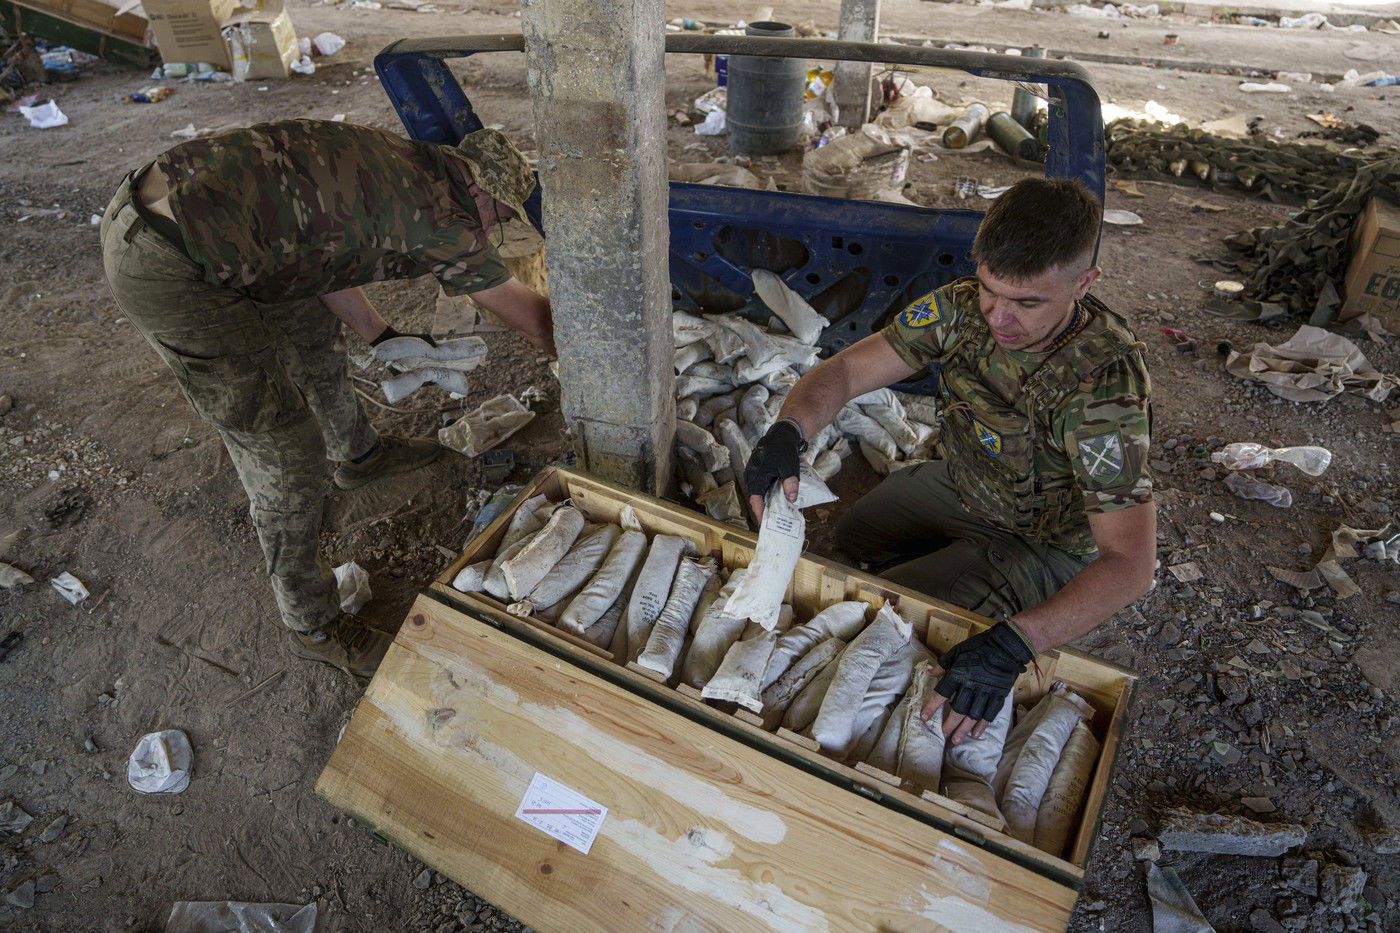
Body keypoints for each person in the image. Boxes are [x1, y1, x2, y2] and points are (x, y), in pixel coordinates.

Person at [99, 119, 553, 677]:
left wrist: (382, 336)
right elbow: (528, 316)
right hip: (172, 263)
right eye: (501, 218)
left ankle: (361, 458)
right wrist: (581, 361)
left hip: (204, 220)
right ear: (479, 190)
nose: (495, 233)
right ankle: (312, 624)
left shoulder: (408, 162)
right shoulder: (441, 218)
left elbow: (317, 252)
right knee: (281, 445)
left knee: (312, 338)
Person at [744, 178, 1155, 746]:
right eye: (990, 290)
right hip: (967, 486)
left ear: (1084, 284)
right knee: (857, 535)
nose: (999, 318)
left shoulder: (1101, 389)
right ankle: (961, 566)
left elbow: (1130, 562)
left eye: (1028, 303)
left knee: (883, 622)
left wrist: (1015, 644)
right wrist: (788, 431)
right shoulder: (961, 307)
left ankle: (1003, 590)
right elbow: (843, 373)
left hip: (1044, 540)